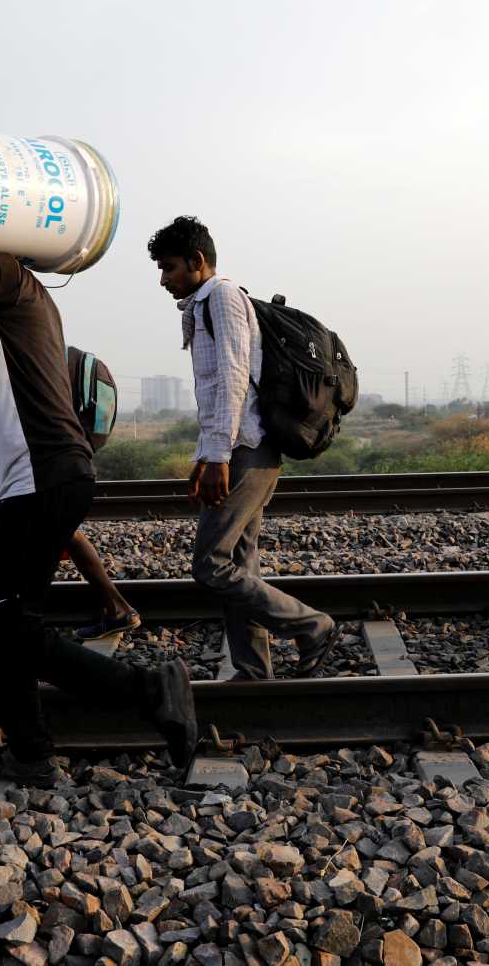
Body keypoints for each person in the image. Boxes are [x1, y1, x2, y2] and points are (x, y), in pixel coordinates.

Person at [0, 121, 196, 785]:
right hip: (23, 480)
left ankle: (151, 692)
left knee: (8, 620)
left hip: (45, 476)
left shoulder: (7, 282)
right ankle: (29, 751)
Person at [147, 216, 337, 680]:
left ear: (197, 261)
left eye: (169, 267)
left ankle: (313, 626)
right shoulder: (204, 305)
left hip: (246, 448)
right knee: (238, 564)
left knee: (210, 566)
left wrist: (217, 457)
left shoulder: (223, 299)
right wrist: (203, 456)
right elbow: (213, 393)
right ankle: (253, 671)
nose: (163, 278)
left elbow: (232, 380)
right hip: (242, 449)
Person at [0, 439, 142, 650]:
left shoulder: (12, 391)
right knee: (65, 532)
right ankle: (118, 609)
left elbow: (1, 419)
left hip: (24, 466)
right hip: (64, 459)